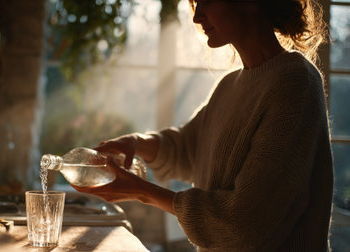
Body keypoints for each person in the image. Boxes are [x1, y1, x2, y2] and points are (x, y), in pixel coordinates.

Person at [73, 0, 334, 251]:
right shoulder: (229, 86)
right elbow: (186, 147)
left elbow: (243, 224)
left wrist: (142, 192)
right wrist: (137, 142)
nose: (197, 17)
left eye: (207, 1)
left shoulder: (294, 82)